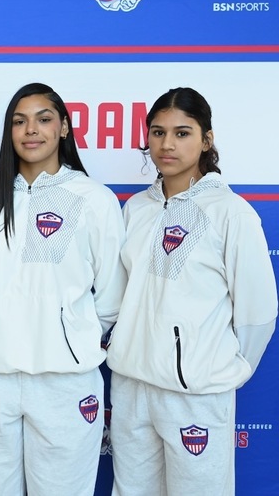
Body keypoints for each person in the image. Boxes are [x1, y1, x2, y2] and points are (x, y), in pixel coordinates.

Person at [0, 82, 128, 496]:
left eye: (44, 119)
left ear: (64, 128)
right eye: (19, 121)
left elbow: (110, 297)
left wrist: (65, 335)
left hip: (65, 382)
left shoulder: (94, 200)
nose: (31, 130)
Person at [105, 87, 277, 495]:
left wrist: (220, 369)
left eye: (182, 133)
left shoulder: (230, 212)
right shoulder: (136, 208)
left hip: (196, 394)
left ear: (207, 139)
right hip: (131, 385)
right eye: (158, 132)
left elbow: (259, 311)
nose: (167, 144)